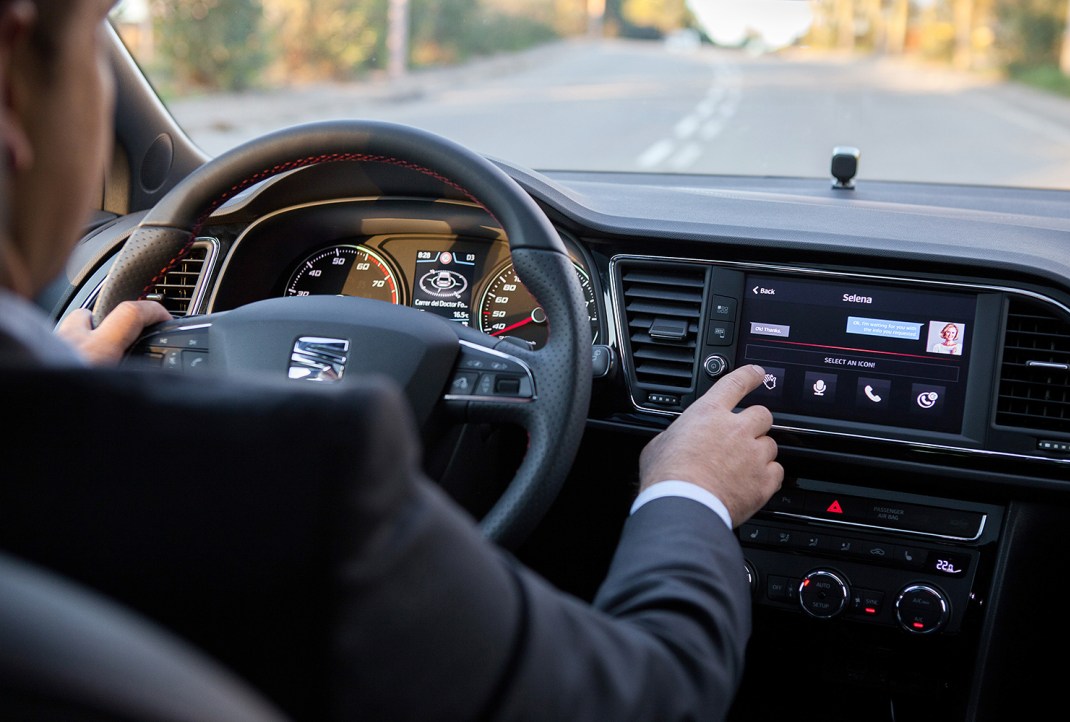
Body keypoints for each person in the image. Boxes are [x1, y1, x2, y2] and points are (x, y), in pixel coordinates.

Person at [0, 1, 784, 720]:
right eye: (92, 59)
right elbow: (655, 698)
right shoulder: (311, 481)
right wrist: (690, 489)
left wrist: (61, 384)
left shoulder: (55, 430)